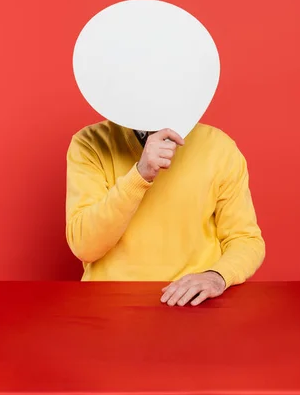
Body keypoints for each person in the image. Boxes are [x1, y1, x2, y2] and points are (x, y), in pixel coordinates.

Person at [65, 120, 265, 306]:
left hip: (191, 304)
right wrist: (140, 174)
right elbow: (85, 245)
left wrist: (217, 275)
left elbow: (246, 239)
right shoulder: (90, 142)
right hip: (112, 303)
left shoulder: (219, 147)